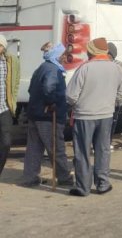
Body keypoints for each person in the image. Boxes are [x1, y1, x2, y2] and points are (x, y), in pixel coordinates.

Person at [66, 37, 122, 196]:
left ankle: (83, 188)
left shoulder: (85, 68)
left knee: (82, 152)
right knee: (103, 150)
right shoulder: (117, 69)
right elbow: (121, 94)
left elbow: (71, 95)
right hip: (106, 115)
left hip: (84, 116)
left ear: (91, 51)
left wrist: (78, 103)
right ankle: (103, 184)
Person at [20, 43, 74, 187]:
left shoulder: (42, 68)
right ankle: (64, 177)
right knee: (56, 148)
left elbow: (31, 89)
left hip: (35, 114)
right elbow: (49, 88)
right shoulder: (52, 69)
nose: (65, 57)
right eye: (63, 54)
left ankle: (29, 178)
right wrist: (52, 102)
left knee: (34, 148)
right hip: (48, 116)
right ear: (57, 56)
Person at [0, 34, 19, 179]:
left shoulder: (11, 61)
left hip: (4, 108)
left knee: (6, 143)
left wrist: (13, 99)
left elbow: (15, 81)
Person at [108, 42, 122, 146]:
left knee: (110, 123)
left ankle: (106, 143)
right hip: (113, 100)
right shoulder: (120, 65)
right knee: (111, 122)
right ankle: (106, 143)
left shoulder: (117, 66)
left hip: (112, 100)